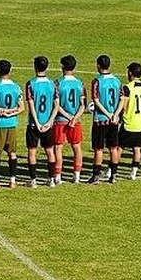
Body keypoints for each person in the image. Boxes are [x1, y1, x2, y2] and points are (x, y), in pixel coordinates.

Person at [0, 59, 24, 189]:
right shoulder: (16, 87)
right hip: (12, 123)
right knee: (12, 153)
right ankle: (12, 181)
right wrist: (11, 112)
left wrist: (1, 111)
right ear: (10, 70)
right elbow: (21, 107)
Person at [88, 54, 122, 184]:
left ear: (98, 65)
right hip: (114, 119)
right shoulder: (117, 80)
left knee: (99, 148)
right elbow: (121, 99)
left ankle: (96, 176)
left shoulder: (97, 81)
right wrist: (115, 114)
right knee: (113, 147)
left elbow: (96, 100)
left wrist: (107, 114)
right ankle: (113, 176)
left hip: (101, 119)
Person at [24, 56, 57, 188]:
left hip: (34, 124)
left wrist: (37, 123)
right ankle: (51, 179)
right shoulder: (52, 84)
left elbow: (31, 105)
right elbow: (56, 105)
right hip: (48, 124)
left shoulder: (31, 84)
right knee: (50, 151)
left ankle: (33, 180)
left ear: (35, 67)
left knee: (32, 151)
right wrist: (49, 121)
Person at [53, 55, 85, 184]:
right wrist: (74, 118)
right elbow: (83, 105)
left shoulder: (57, 83)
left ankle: (57, 176)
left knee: (58, 148)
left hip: (61, 119)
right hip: (75, 121)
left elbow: (57, 105)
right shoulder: (80, 83)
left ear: (62, 67)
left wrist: (67, 116)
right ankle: (76, 175)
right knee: (77, 147)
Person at [118, 62, 141, 181]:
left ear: (130, 73)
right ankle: (134, 173)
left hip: (129, 122)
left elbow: (124, 105)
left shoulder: (128, 88)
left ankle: (112, 170)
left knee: (119, 147)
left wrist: (120, 115)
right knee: (137, 148)